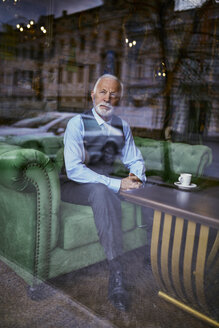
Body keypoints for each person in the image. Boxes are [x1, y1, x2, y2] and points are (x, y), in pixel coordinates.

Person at [61, 74, 146, 311]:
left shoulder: (122, 126)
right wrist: (117, 184)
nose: (107, 98)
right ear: (92, 95)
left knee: (146, 188)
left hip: (104, 183)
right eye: (102, 92)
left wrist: (136, 177)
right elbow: (74, 169)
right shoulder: (77, 123)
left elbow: (135, 159)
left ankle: (155, 254)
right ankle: (116, 271)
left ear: (119, 99)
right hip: (73, 185)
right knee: (101, 190)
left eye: (113, 94)